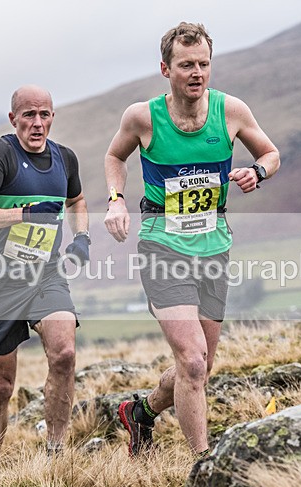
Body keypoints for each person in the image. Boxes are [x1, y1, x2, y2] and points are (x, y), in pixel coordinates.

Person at [103, 22, 280, 459]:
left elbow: (271, 154)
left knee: (200, 367)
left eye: (203, 64)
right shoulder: (142, 117)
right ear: (166, 69)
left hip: (214, 246)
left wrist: (255, 172)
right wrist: (115, 200)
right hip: (162, 245)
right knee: (193, 360)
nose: (197, 73)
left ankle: (141, 411)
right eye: (186, 65)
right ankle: (202, 464)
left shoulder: (231, 111)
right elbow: (114, 155)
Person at [0, 85, 90, 457]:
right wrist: (24, 214)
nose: (37, 123)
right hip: (1, 279)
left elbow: (77, 199)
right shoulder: (0, 154)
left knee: (65, 354)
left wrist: (81, 236)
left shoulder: (64, 158)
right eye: (29, 115)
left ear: (53, 116)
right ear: (13, 118)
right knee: (2, 385)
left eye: (45, 114)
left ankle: (55, 452)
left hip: (46, 274)